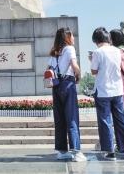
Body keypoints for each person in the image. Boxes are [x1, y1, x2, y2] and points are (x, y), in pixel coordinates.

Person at [90, 27, 124, 161]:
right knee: (121, 119)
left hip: (103, 91)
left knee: (105, 120)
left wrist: (91, 60)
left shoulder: (97, 52)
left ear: (96, 40)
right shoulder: (117, 51)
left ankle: (109, 151)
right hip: (117, 90)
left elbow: (94, 71)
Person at [48, 27, 86, 162]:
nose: (74, 38)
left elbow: (49, 70)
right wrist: (79, 75)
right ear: (67, 37)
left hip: (56, 85)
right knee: (72, 117)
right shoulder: (69, 49)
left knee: (59, 118)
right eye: (72, 35)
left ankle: (62, 151)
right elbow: (74, 65)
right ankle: (76, 152)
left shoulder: (54, 52)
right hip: (67, 84)